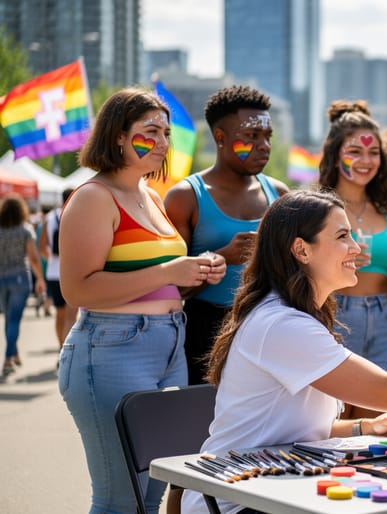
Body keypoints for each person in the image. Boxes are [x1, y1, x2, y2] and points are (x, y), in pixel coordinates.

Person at [181, 190, 387, 514]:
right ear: (301, 249)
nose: (356, 249)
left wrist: (364, 427)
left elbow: (295, 428)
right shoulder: (282, 324)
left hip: (272, 488)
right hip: (237, 502)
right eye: (343, 236)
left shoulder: (294, 317)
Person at [57, 87, 226, 514]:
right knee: (120, 497)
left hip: (166, 346)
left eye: (166, 133)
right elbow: (77, 290)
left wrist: (198, 269)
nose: (163, 143)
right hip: (111, 348)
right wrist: (170, 272)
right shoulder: (94, 197)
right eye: (150, 132)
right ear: (117, 136)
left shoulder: (149, 195)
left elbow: (153, 276)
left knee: (152, 492)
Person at [165, 85, 289, 385]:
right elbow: (169, 289)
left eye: (267, 137)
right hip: (204, 330)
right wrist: (222, 257)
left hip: (268, 325)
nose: (264, 146)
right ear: (220, 138)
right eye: (251, 137)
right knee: (205, 424)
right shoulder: (186, 197)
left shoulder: (280, 194)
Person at [318, 100, 387, 420]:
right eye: (355, 151)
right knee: (336, 417)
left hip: (383, 317)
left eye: (373, 153)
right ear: (335, 153)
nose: (365, 161)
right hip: (337, 315)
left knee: (383, 415)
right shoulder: (317, 209)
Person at [1, 194, 46, 375]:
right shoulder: (25, 230)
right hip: (20, 277)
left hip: (1, 278)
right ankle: (7, 358)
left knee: (8, 318)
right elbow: (34, 258)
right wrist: (40, 278)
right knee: (14, 319)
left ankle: (14, 353)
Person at [38, 188, 79, 352]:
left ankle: (60, 348)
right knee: (71, 316)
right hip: (74, 273)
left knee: (60, 314)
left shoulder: (50, 218)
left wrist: (53, 261)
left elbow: (41, 246)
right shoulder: (77, 215)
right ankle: (67, 352)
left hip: (54, 273)